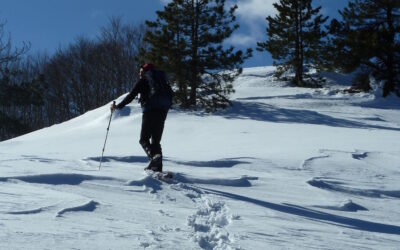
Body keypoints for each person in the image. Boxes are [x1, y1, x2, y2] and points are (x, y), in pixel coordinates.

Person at [111, 63, 172, 172]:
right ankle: (158, 168)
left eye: (140, 72)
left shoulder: (143, 81)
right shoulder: (161, 81)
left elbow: (130, 96)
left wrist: (118, 106)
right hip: (162, 112)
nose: (139, 74)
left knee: (143, 139)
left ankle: (154, 160)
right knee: (156, 141)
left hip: (149, 111)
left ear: (145, 72)